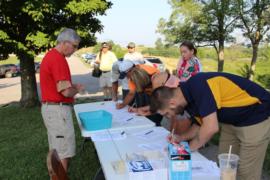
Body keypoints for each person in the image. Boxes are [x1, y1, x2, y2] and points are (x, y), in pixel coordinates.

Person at [150, 72, 270, 180]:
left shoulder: (199, 85)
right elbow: (199, 126)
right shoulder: (186, 99)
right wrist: (180, 138)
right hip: (232, 121)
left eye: (166, 113)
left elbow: (211, 128)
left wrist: (184, 152)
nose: (169, 116)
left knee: (246, 172)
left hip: (255, 116)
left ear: (172, 103)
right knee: (224, 166)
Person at [40, 28, 85, 171]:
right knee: (63, 152)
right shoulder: (58, 59)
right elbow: (65, 91)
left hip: (52, 109)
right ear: (65, 43)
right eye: (74, 46)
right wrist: (76, 89)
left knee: (57, 149)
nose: (75, 50)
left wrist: (72, 88)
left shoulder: (52, 56)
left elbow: (61, 87)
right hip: (57, 111)